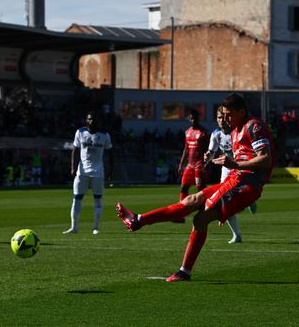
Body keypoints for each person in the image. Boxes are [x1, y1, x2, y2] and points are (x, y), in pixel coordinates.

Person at [116, 93, 275, 281]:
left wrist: (236, 165)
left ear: (241, 111)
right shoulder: (233, 131)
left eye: (229, 115)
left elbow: (266, 159)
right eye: (222, 115)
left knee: (200, 218)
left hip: (247, 184)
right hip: (233, 180)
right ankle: (138, 220)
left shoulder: (253, 126)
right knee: (191, 200)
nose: (225, 119)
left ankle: (184, 271)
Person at [63, 111, 113, 235]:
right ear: (86, 120)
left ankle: (96, 228)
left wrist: (111, 170)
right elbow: (75, 150)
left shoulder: (104, 135)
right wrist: (73, 167)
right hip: (82, 172)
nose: (91, 121)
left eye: (94, 119)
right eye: (89, 119)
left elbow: (110, 153)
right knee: (77, 199)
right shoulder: (80, 132)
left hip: (98, 172)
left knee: (97, 200)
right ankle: (74, 227)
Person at [205, 107, 245, 244]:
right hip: (227, 169)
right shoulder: (216, 134)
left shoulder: (237, 132)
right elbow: (211, 151)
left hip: (241, 167)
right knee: (225, 201)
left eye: (224, 117)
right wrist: (208, 156)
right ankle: (236, 234)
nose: (221, 120)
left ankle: (250, 201)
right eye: (219, 117)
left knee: (239, 197)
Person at [178, 108, 209, 201]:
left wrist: (207, 163)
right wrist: (181, 164)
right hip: (189, 165)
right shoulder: (187, 132)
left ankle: (204, 208)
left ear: (198, 118)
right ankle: (182, 209)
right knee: (183, 187)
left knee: (200, 189)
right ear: (189, 119)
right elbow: (186, 149)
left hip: (199, 165)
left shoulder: (204, 132)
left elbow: (208, 149)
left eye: (195, 118)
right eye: (191, 119)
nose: (193, 120)